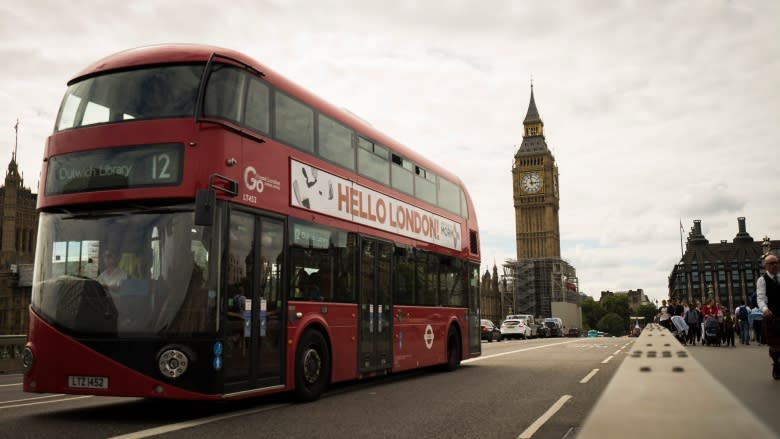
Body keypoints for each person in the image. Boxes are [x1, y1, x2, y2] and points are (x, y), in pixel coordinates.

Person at [756, 254, 780, 379]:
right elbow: (760, 298)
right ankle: (776, 365)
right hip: (772, 316)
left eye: (776, 262)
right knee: (775, 345)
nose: (775, 265)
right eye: (771, 263)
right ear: (766, 266)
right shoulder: (762, 280)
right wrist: (765, 309)